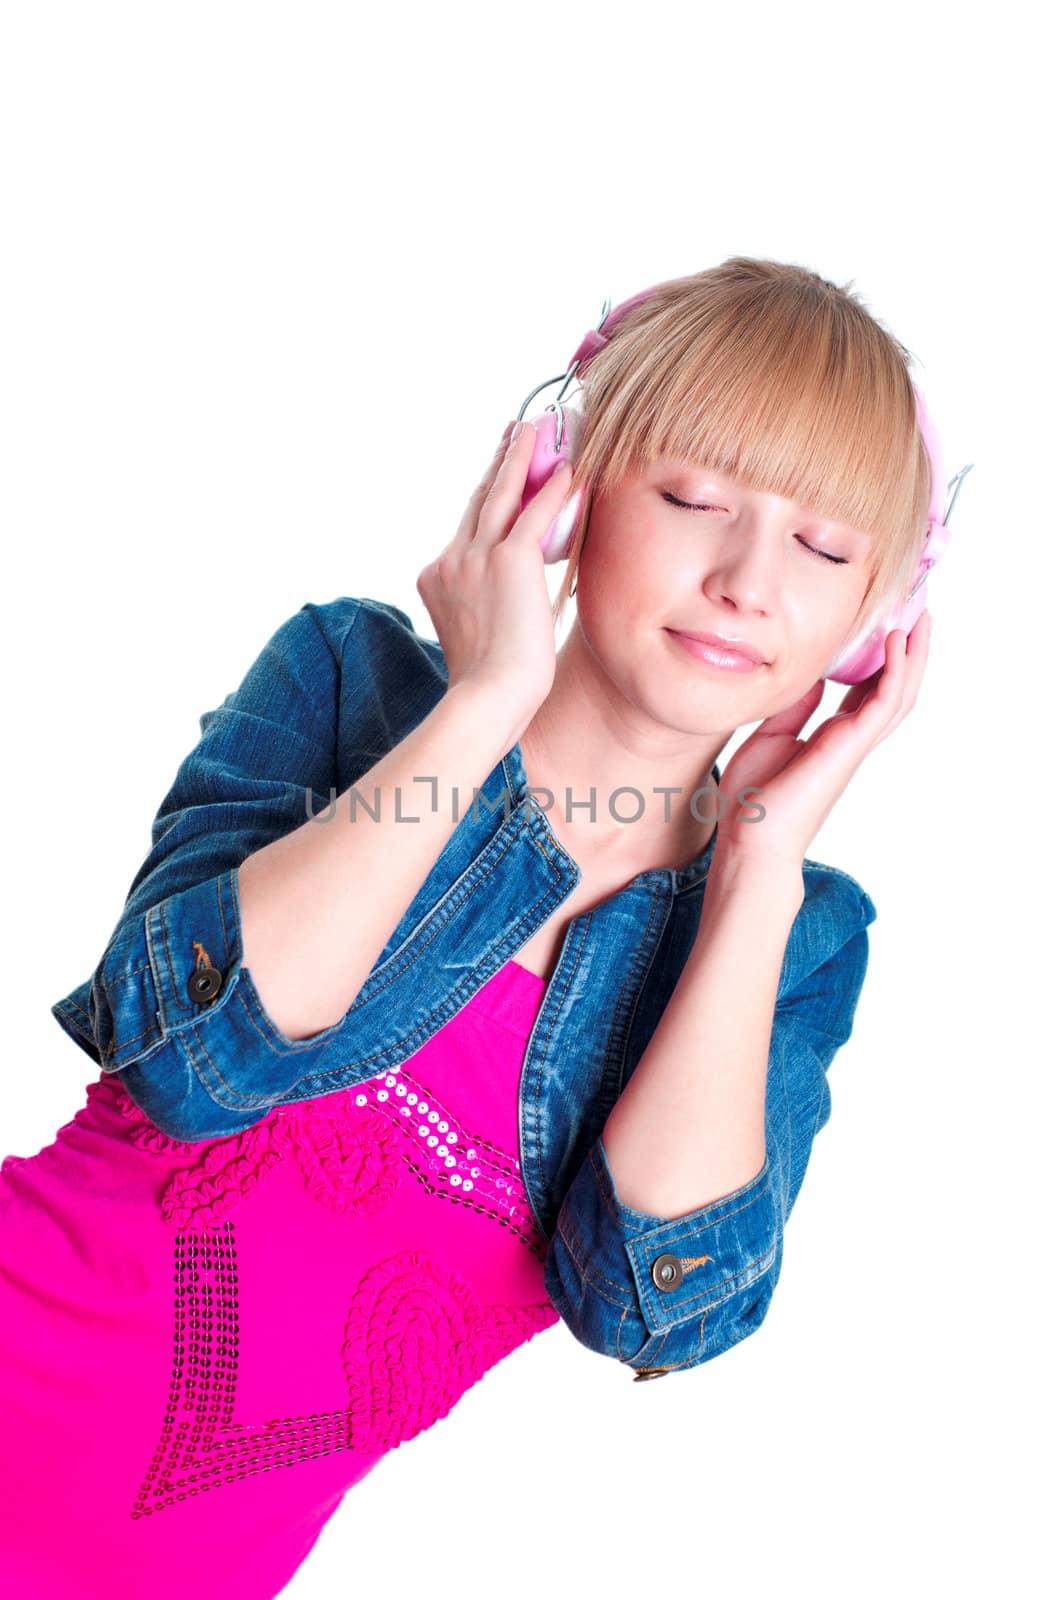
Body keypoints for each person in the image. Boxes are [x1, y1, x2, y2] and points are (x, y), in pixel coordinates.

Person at [0, 257, 934, 1597]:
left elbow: (652, 1305)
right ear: (571, 488)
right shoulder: (350, 685)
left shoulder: (795, 940)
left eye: (824, 548)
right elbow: (187, 1065)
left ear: (870, 621)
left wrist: (760, 867)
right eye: (693, 498)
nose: (746, 579)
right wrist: (484, 704)